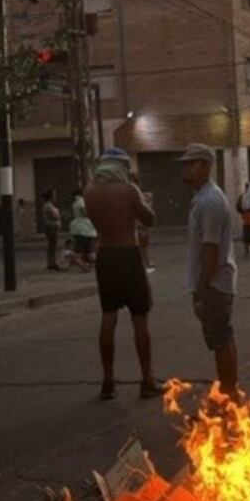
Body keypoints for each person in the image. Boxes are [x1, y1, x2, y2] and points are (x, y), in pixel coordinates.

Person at [84, 156, 161, 401]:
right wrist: (142, 199)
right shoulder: (128, 190)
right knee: (139, 317)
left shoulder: (90, 193)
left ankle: (108, 380)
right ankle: (147, 379)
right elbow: (149, 219)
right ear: (121, 168)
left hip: (105, 256)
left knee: (108, 316)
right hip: (128, 254)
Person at [180, 143, 240, 396]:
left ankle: (229, 393)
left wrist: (203, 287)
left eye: (190, 164)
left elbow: (211, 248)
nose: (185, 169)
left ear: (205, 166)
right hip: (214, 282)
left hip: (214, 284)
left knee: (221, 340)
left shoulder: (209, 201)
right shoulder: (202, 198)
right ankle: (229, 392)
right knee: (221, 340)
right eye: (184, 164)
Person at [70, 190, 97, 268]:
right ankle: (80, 262)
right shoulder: (82, 202)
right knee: (83, 247)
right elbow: (85, 213)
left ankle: (86, 263)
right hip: (84, 228)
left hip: (80, 227)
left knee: (86, 247)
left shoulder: (75, 202)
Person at [41, 191, 62, 271]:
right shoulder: (48, 206)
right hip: (51, 227)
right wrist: (60, 215)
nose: (55, 197)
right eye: (54, 196)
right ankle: (51, 263)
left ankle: (52, 262)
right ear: (50, 197)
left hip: (52, 227)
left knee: (52, 245)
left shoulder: (50, 205)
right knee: (52, 245)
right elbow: (53, 216)